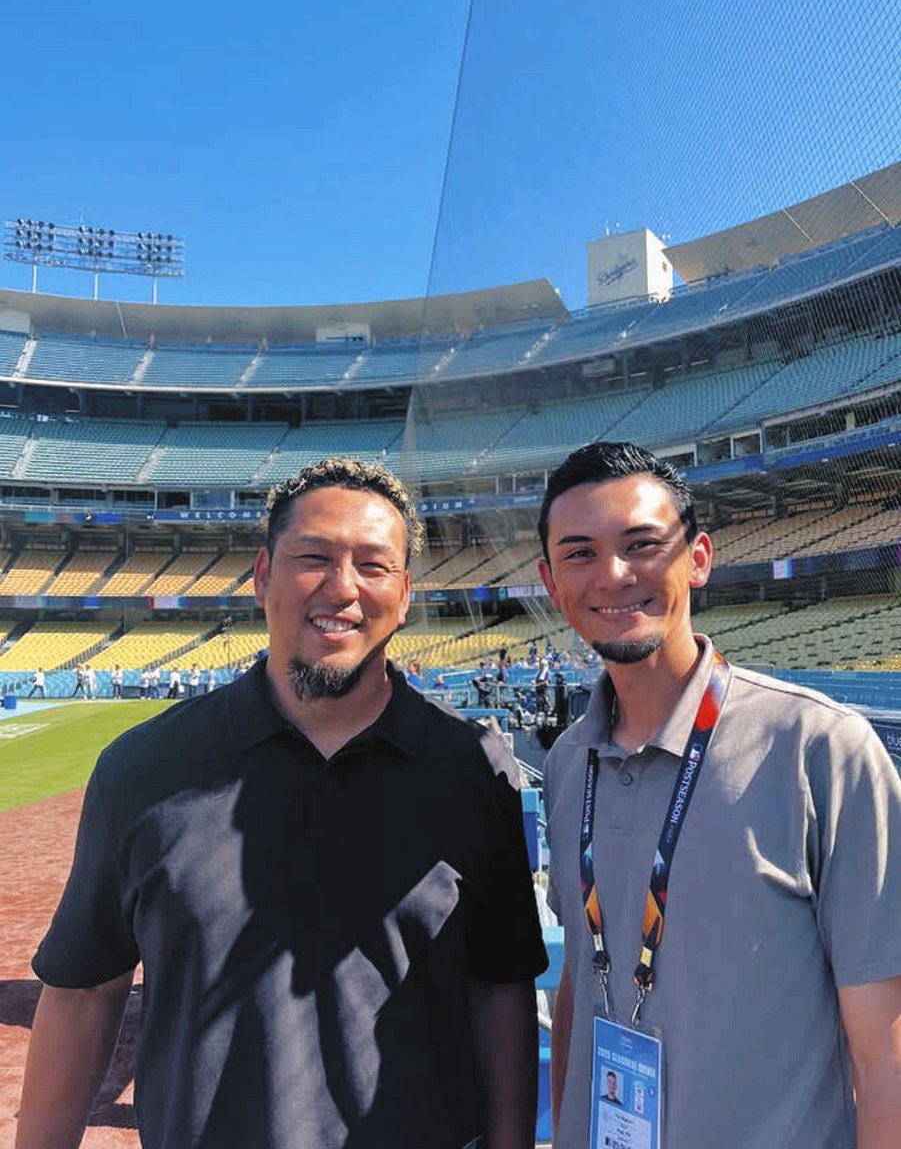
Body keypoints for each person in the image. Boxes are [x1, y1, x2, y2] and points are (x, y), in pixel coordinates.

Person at [20, 457, 547, 1149]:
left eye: (373, 565)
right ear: (264, 574)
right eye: (314, 558)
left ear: (406, 592)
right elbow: (84, 993)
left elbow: (498, 990)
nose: (342, 588)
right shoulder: (143, 770)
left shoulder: (473, 772)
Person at [538, 441, 901, 1149]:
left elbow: (884, 1046)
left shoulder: (818, 748)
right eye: (579, 553)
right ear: (551, 583)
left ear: (697, 558)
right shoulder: (563, 765)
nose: (613, 575)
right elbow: (580, 991)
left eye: (641, 544)